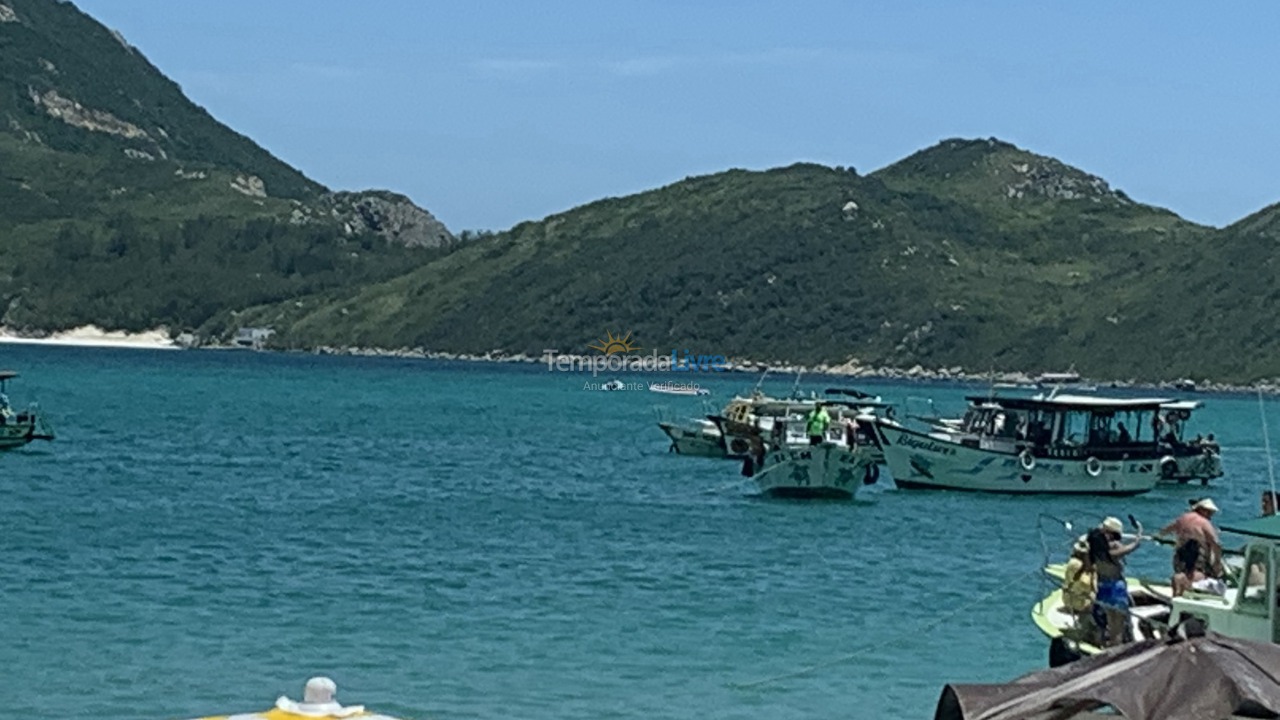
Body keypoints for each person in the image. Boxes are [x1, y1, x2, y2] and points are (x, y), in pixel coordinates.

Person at [1073, 517, 1143, 647]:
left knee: (1106, 625)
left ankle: (1103, 651)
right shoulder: (1113, 553)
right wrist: (1138, 534)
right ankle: (1116, 655)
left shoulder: (1093, 552)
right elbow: (1134, 546)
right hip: (1116, 588)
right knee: (1117, 629)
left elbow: (1088, 568)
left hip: (1101, 587)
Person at [1156, 498, 1223, 579]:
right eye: (1209, 512)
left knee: (1181, 573)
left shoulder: (1183, 518)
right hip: (1197, 555)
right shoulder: (1204, 522)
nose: (1210, 515)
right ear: (1202, 510)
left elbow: (1167, 529)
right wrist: (1217, 561)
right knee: (1198, 574)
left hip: (1180, 552)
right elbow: (1216, 543)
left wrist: (1159, 536)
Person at [1062, 537, 1096, 617]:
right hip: (1077, 602)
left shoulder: (1082, 563)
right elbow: (1084, 583)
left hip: (1076, 598)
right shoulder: (1076, 564)